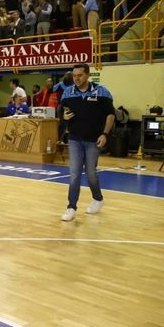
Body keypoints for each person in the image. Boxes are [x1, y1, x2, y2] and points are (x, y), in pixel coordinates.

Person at [59, 63, 116, 222]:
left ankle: (98, 198)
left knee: (91, 172)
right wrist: (64, 117)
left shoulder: (102, 92)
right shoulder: (67, 93)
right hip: (75, 139)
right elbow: (61, 111)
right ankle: (71, 207)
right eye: (74, 76)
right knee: (74, 173)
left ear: (88, 75)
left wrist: (105, 134)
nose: (76, 78)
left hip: (93, 139)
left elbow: (110, 115)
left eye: (80, 75)